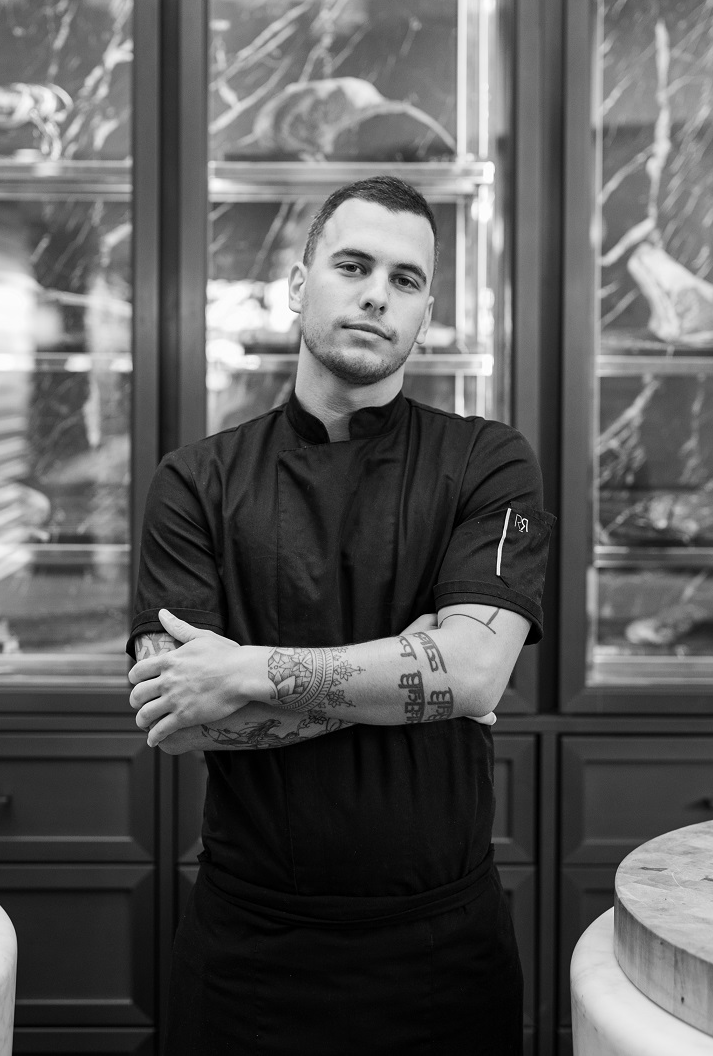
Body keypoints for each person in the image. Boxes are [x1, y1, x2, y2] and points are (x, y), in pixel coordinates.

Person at [126, 175, 555, 1055]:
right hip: (249, 955)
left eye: (405, 280)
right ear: (297, 285)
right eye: (353, 266)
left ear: (425, 315)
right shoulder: (195, 481)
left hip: (442, 954)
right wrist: (418, 673)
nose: (376, 295)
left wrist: (245, 671)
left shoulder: (489, 461)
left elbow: (476, 675)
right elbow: (178, 718)